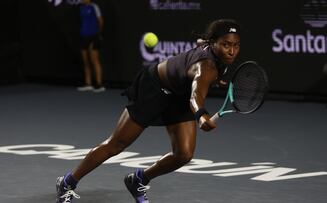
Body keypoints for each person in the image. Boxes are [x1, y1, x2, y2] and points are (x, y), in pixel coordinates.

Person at [56, 18, 241, 203]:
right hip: (154, 88)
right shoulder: (206, 66)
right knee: (117, 144)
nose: (232, 51)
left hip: (178, 96)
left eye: (235, 45)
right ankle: (67, 182)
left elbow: (199, 46)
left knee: (184, 154)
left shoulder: (213, 52)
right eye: (226, 45)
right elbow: (196, 96)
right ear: (213, 43)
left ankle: (138, 180)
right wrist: (201, 115)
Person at [77, 0, 105, 92]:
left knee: (94, 60)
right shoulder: (81, 8)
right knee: (86, 61)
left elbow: (100, 20)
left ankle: (99, 84)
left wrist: (98, 34)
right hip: (83, 36)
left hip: (94, 36)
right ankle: (88, 83)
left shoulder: (94, 7)